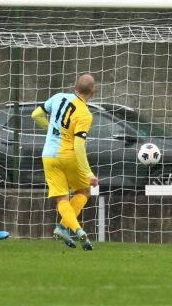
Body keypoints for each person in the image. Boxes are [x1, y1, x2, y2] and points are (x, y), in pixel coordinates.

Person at [31, 74, 98, 251]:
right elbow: (78, 145)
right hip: (68, 156)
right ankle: (68, 227)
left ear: (75, 87)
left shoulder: (58, 97)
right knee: (83, 191)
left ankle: (69, 228)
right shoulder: (85, 114)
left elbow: (36, 114)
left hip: (48, 156)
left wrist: (52, 131)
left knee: (62, 197)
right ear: (93, 91)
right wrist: (89, 172)